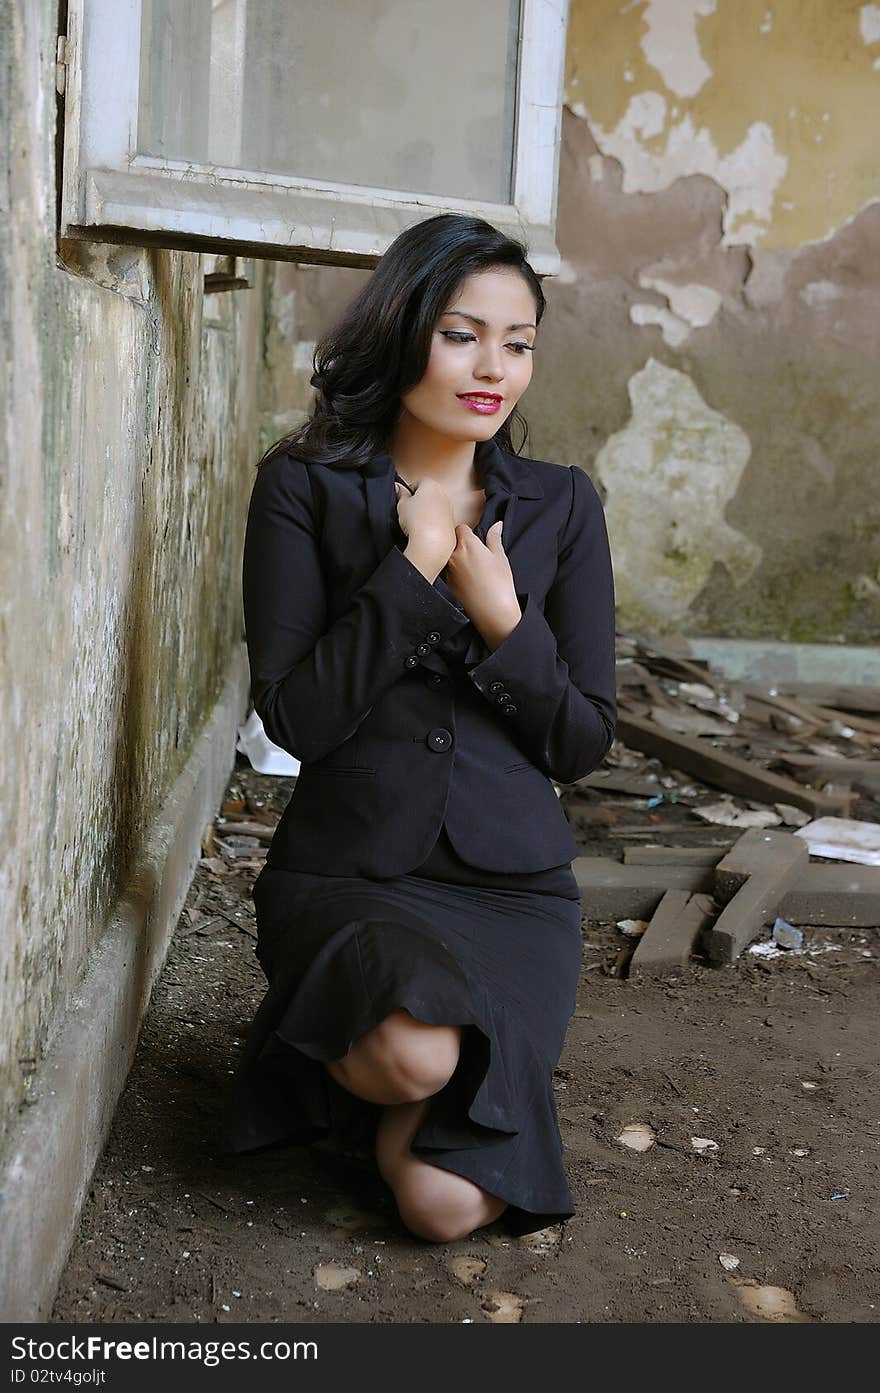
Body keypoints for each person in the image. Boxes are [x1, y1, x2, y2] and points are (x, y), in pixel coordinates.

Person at [224, 212, 617, 1243]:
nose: (494, 366)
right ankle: (365, 1056)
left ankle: (357, 1095)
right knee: (414, 1050)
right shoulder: (303, 488)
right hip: (352, 874)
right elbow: (297, 718)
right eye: (462, 334)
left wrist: (500, 616)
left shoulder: (562, 507)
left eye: (517, 342)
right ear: (402, 330)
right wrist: (408, 575)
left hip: (513, 895)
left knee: (445, 1209)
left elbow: (579, 741)